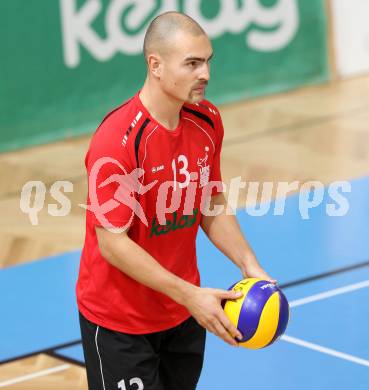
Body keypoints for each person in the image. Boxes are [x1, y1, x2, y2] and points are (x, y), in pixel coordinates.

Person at [77, 11, 276, 390]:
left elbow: (210, 203)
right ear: (155, 64)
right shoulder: (116, 141)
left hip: (182, 315)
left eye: (207, 61)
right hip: (121, 324)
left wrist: (251, 265)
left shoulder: (208, 120)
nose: (205, 74)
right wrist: (191, 296)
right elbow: (112, 245)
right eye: (192, 63)